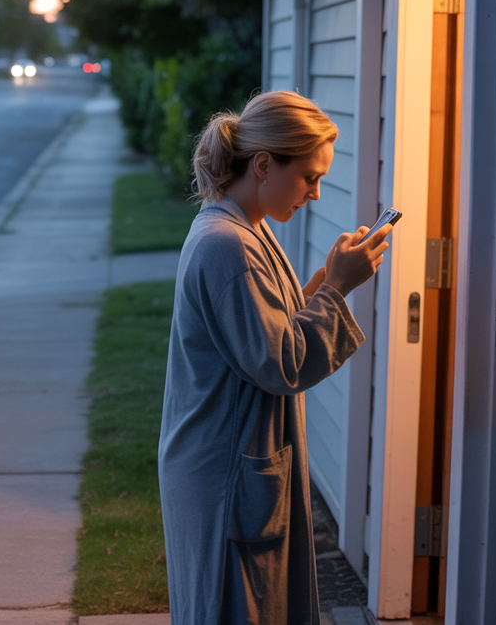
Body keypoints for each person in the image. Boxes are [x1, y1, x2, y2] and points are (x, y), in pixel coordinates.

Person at [158, 90, 392, 624]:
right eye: (309, 176)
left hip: (231, 466)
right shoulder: (229, 245)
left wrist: (319, 291)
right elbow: (280, 363)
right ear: (264, 164)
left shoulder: (246, 229)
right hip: (224, 475)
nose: (313, 193)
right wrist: (336, 290)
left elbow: (258, 333)